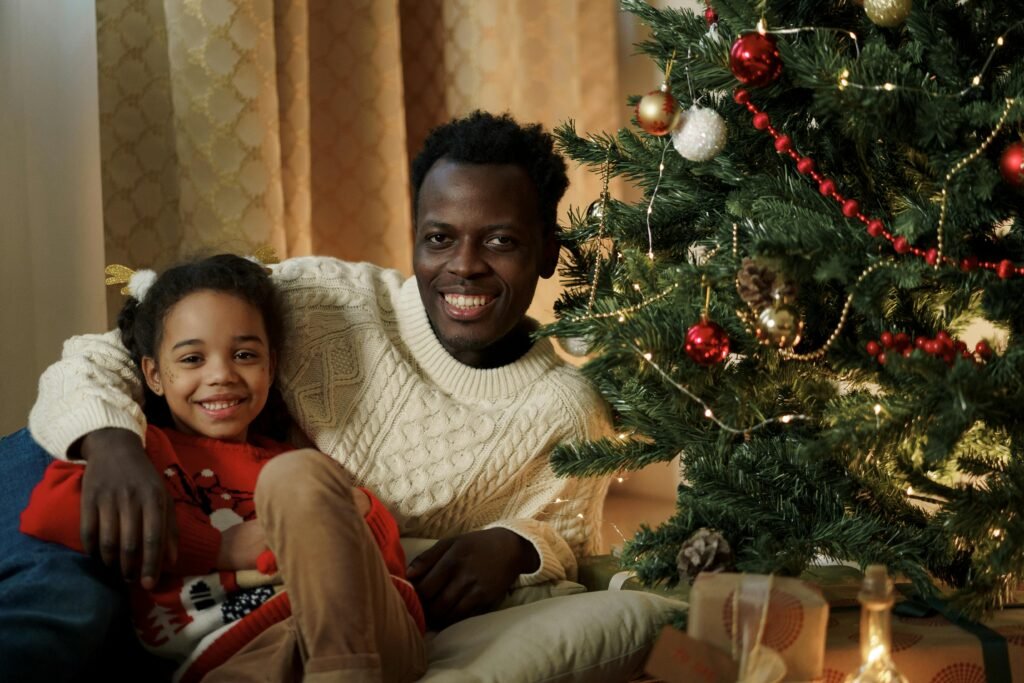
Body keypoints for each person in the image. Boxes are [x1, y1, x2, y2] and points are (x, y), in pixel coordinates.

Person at [3, 110, 613, 677]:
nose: (465, 266)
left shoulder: (561, 411)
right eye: (439, 238)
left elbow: (572, 546)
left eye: (500, 241)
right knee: (61, 596)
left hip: (313, 592)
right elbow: (115, 348)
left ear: (548, 254)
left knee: (291, 488)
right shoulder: (323, 297)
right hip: (150, 494)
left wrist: (519, 546)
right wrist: (110, 444)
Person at [20, 254, 426, 683]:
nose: (221, 374)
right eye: (193, 359)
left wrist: (339, 516)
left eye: (244, 355)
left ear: (270, 366)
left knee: (296, 476)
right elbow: (50, 511)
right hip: (231, 654)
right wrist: (220, 547)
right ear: (154, 375)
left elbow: (385, 563)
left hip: (362, 637)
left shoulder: (297, 467)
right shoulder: (142, 453)